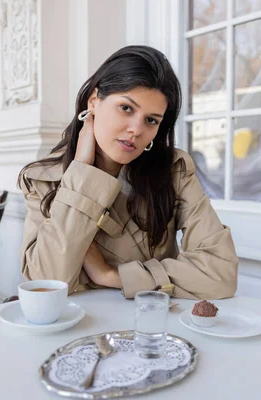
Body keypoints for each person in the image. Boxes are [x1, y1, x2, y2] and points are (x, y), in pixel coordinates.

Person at [18, 45, 238, 300]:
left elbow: (221, 274)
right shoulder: (44, 181)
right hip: (81, 329)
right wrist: (81, 172)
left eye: (151, 120)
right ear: (93, 102)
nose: (136, 129)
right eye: (126, 108)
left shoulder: (173, 171)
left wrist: (112, 276)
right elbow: (46, 283)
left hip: (155, 328)